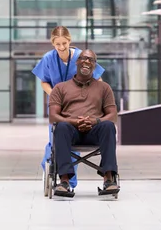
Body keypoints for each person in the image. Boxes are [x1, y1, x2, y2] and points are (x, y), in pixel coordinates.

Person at [32, 26, 105, 189]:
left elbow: (98, 80)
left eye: (64, 43)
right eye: (57, 44)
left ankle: (68, 180)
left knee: (72, 141)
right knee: (55, 140)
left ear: (69, 41)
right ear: (53, 43)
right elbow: (44, 81)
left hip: (79, 106)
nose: (61, 47)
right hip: (57, 106)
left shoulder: (82, 57)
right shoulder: (48, 58)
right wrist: (55, 95)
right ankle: (50, 165)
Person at [48, 49, 120, 198]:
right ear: (77, 62)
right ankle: (65, 182)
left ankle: (108, 179)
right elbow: (53, 116)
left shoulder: (104, 88)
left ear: (95, 65)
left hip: (95, 131)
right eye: (83, 58)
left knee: (108, 125)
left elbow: (112, 115)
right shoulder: (60, 88)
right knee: (60, 126)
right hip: (70, 132)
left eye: (91, 60)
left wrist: (95, 121)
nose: (87, 61)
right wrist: (74, 122)